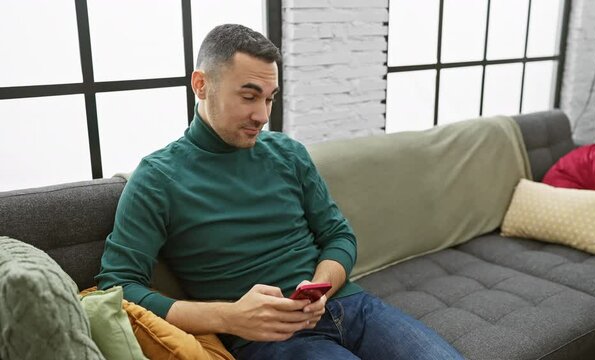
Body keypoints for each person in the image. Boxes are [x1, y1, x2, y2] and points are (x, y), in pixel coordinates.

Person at [96, 24, 463, 360]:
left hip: (349, 305)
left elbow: (338, 235)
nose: (262, 115)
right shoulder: (157, 178)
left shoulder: (288, 153)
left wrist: (321, 286)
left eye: (269, 98)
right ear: (201, 84)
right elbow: (118, 287)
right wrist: (230, 317)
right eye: (249, 96)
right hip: (269, 340)